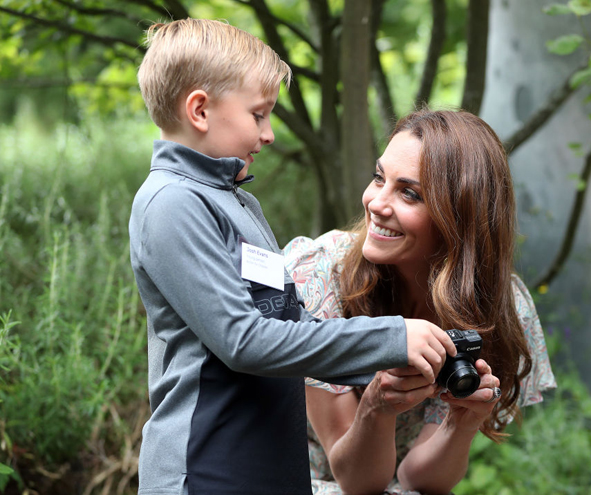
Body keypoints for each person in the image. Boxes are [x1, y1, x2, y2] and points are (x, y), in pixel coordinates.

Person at [129, 19, 456, 495]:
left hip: (265, 473)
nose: (269, 134)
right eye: (258, 115)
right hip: (204, 472)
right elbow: (243, 340)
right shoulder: (172, 203)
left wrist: (405, 365)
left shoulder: (237, 200)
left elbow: (292, 327)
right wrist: (390, 335)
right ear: (199, 110)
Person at [284, 109, 557, 495]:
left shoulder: (497, 307)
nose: (376, 203)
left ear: (458, 219)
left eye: (408, 193)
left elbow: (421, 481)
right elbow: (354, 480)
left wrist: (460, 425)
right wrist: (377, 405)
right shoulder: (318, 276)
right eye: (379, 177)